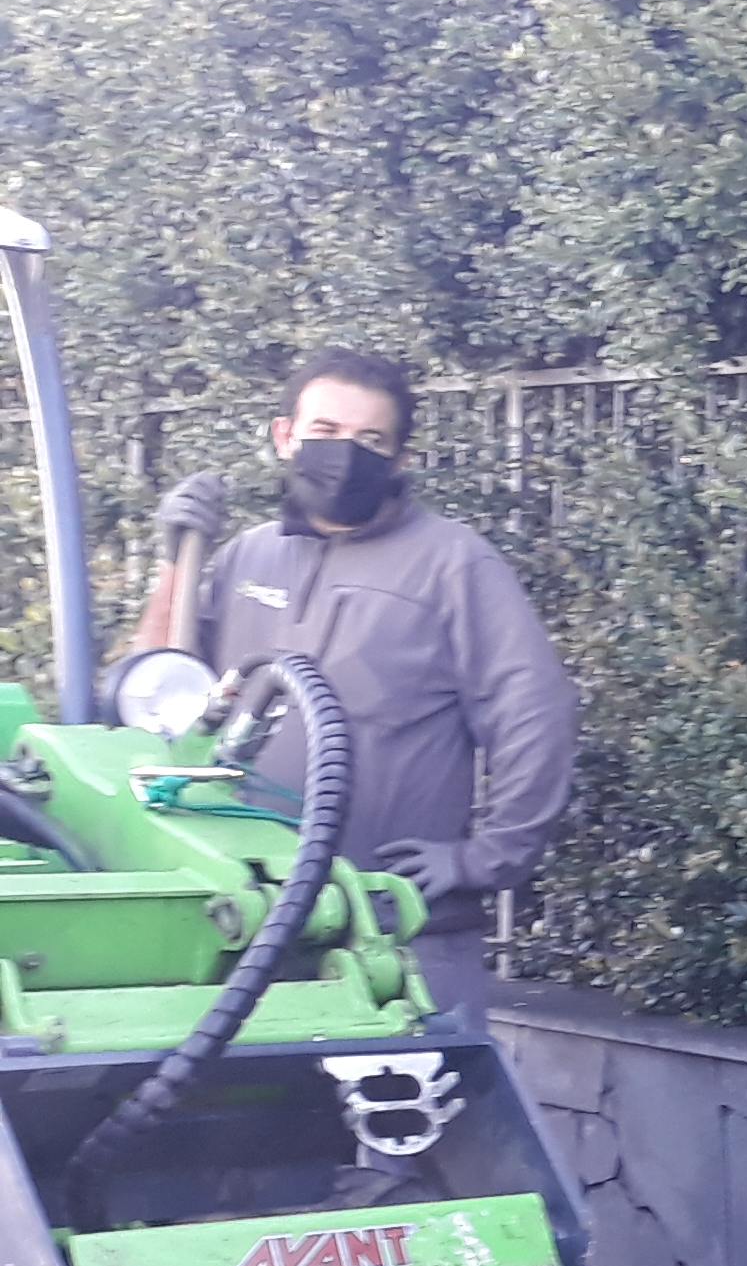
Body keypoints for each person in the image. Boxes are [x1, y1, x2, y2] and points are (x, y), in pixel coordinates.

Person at [140, 348, 578, 1038]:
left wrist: (485, 858)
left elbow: (535, 713)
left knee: (413, 1104)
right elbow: (154, 695)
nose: (345, 455)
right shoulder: (248, 556)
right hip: (245, 926)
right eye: (325, 431)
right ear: (285, 435)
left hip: (395, 938)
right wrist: (173, 564)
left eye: (371, 440)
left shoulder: (451, 563)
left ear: (401, 459)